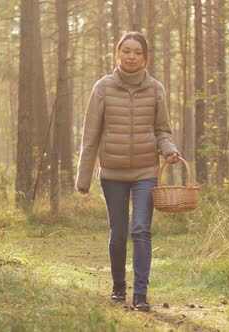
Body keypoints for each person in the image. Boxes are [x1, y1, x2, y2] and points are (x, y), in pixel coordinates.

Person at [76, 31, 180, 312]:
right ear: (117, 53)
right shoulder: (103, 87)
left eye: (137, 52)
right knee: (119, 232)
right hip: (112, 172)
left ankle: (142, 294)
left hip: (146, 170)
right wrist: (83, 177)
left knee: (141, 230)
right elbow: (91, 134)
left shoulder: (155, 89)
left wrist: (170, 150)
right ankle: (119, 287)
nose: (131, 56)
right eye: (126, 51)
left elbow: (162, 130)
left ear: (145, 57)